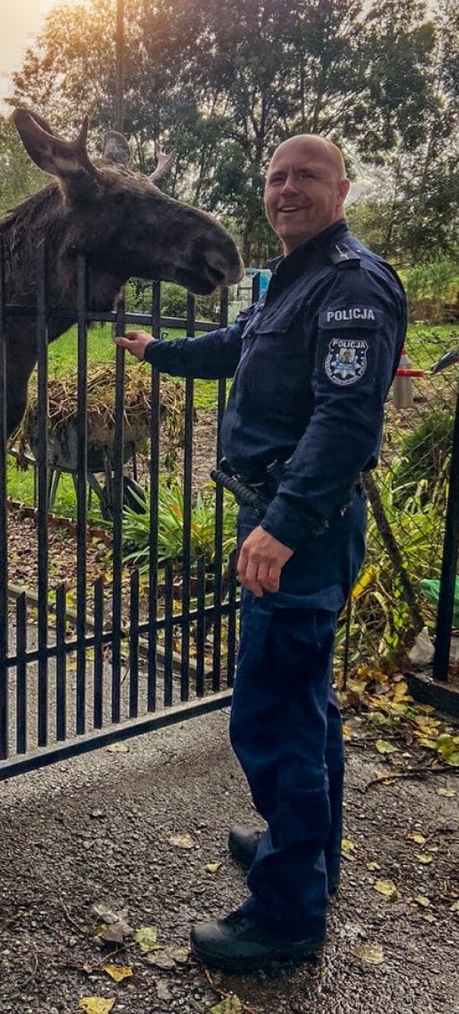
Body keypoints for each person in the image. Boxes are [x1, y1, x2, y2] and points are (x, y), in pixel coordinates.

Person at [116, 135, 407, 972]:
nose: (286, 190)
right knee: (305, 703)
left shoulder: (352, 284)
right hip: (292, 521)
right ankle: (308, 853)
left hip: (301, 531)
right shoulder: (294, 280)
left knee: (273, 714)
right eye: (276, 178)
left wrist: (280, 527)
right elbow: (237, 346)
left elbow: (347, 422)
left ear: (342, 189)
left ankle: (285, 917)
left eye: (306, 176)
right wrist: (157, 352)